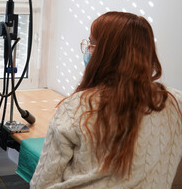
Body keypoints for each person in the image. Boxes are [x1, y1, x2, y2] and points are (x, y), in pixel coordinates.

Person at [30, 11, 182, 188]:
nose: (88, 50)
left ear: (107, 54)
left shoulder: (77, 107)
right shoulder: (175, 102)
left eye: (92, 45)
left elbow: (42, 183)